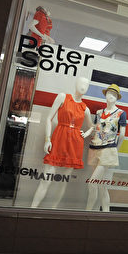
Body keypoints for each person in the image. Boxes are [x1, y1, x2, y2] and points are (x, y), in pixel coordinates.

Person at [31, 77, 93, 208]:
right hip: (59, 138)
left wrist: (86, 133)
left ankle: (53, 209)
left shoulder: (85, 108)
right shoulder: (63, 97)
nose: (83, 86)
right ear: (76, 84)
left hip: (75, 143)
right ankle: (33, 208)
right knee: (46, 178)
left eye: (86, 85)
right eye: (81, 83)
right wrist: (47, 139)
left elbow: (92, 126)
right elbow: (49, 118)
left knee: (63, 181)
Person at [86, 84, 126, 211]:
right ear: (105, 95)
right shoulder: (99, 113)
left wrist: (116, 149)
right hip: (95, 147)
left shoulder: (121, 113)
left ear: (117, 97)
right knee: (101, 185)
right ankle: (105, 212)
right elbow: (95, 128)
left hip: (108, 149)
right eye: (109, 93)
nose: (111, 96)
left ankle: (87, 211)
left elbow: (122, 134)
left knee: (92, 183)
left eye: (114, 94)